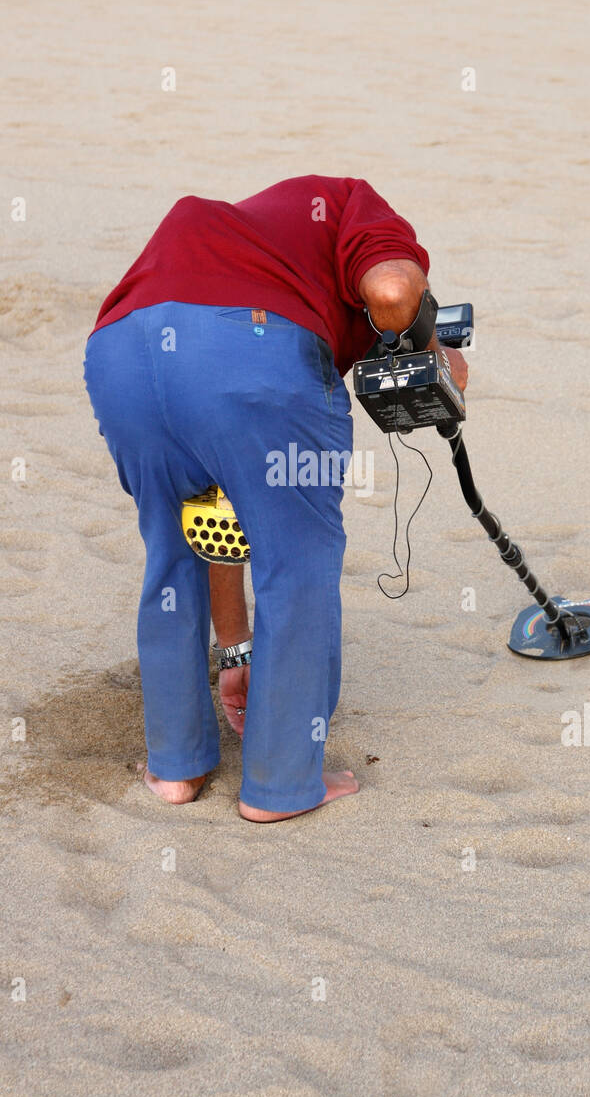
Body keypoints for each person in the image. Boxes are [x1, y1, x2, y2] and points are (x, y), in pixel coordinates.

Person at [83, 175, 468, 822]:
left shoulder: (245, 232)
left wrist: (237, 648)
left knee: (175, 547)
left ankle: (175, 767)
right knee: (296, 566)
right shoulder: (351, 202)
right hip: (254, 349)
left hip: (121, 353)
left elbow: (219, 514)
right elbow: (394, 289)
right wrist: (438, 356)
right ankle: (281, 783)